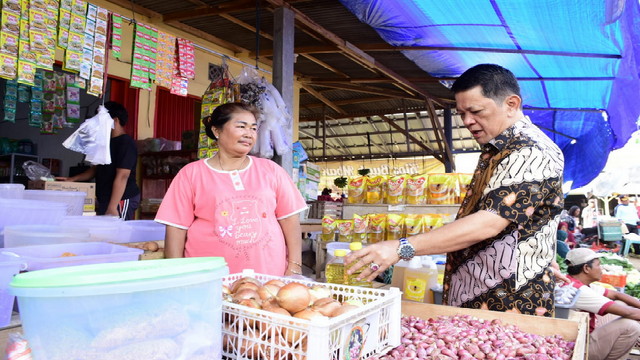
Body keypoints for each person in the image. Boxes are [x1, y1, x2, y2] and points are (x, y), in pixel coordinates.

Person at [345, 64, 565, 316]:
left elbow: (488, 223)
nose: (467, 121)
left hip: (506, 301)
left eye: (475, 111)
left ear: (512, 104)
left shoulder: (530, 151)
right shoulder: (498, 150)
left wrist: (401, 247)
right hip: (481, 291)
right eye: (462, 113)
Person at [154, 103, 307, 276]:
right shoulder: (191, 174)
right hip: (209, 276)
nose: (249, 134)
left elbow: (290, 221)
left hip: (268, 274)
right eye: (241, 127)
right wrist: (176, 273)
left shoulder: (271, 170)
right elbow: (176, 227)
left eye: (253, 128)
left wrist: (295, 266)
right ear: (217, 131)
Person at [56, 101, 140, 220]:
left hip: (121, 199)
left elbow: (123, 176)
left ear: (115, 120)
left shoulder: (126, 143)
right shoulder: (104, 143)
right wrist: (72, 179)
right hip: (106, 199)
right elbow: (96, 169)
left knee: (115, 235)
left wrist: (112, 206)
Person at [563, 248, 640, 359]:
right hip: (578, 347)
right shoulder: (578, 290)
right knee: (630, 326)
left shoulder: (574, 281)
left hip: (585, 331)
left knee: (620, 304)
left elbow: (616, 295)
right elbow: (629, 313)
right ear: (586, 268)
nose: (601, 268)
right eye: (598, 265)